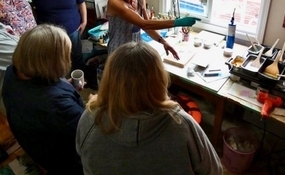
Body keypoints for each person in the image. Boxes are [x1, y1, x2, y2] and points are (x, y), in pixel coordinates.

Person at [76, 42, 222, 175]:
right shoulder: (182, 124)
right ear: (160, 80)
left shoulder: (89, 119)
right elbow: (214, 171)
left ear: (109, 80)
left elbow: (85, 162)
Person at [2, 24, 84, 175]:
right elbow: (88, 130)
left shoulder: (12, 72)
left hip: (36, 144)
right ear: (51, 62)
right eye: (65, 54)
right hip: (66, 160)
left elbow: (46, 89)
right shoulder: (57, 104)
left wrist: (66, 86)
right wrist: (95, 103)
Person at [106, 0, 199, 57]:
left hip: (135, 50)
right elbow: (144, 24)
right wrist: (177, 22)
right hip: (118, 52)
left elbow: (147, 27)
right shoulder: (115, 2)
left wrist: (164, 42)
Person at [20, 0, 87, 71]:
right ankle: (61, 80)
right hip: (50, 33)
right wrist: (30, 9)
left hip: (72, 29)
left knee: (76, 55)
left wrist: (84, 21)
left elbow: (81, 2)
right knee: (55, 58)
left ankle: (79, 78)